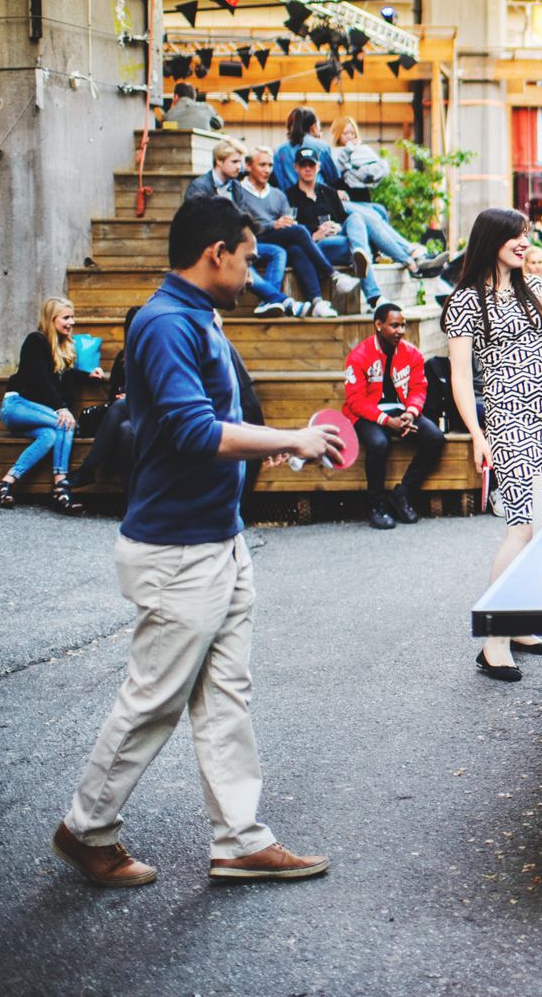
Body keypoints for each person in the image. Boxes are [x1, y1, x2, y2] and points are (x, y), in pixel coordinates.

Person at [52, 194, 341, 889]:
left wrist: (262, 448)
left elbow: (210, 427)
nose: (252, 273)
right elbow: (192, 431)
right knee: (153, 699)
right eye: (247, 258)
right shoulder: (163, 323)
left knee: (225, 696)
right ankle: (87, 829)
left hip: (216, 538)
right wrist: (291, 438)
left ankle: (239, 840)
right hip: (178, 550)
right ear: (216, 254)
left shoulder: (193, 315)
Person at [444, 208, 542, 681]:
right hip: (511, 420)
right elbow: (462, 380)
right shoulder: (466, 299)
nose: (525, 243)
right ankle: (494, 641)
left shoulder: (530, 289)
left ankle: (520, 622)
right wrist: (477, 433)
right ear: (493, 239)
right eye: (516, 236)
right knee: (522, 526)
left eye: (527, 235)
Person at [286, 145, 444, 312]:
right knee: (360, 245)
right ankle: (401, 270)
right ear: (296, 167)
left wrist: (337, 227)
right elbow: (292, 233)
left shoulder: (329, 192)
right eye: (304, 165)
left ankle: (362, 258)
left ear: (318, 166)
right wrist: (315, 235)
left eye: (311, 164)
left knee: (355, 218)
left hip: (340, 240)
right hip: (317, 248)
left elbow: (343, 220)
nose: (308, 169)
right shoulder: (289, 197)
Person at [0, 296, 107, 513]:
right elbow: (40, 379)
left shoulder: (62, 347)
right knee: (66, 422)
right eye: (66, 318)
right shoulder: (36, 341)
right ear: (51, 319)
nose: (71, 322)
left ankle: (4, 485)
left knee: (50, 436)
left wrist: (89, 374)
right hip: (16, 406)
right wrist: (61, 408)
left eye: (73, 318)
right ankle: (60, 487)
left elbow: (66, 377)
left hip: (38, 414)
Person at [344, 303, 446, 529]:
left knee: (435, 438)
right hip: (367, 414)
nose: (400, 330)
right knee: (379, 443)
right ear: (378, 325)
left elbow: (419, 388)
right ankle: (376, 506)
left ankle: (402, 494)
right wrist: (387, 421)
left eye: (403, 326)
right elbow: (355, 401)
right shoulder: (358, 356)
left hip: (401, 410)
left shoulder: (412, 353)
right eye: (394, 325)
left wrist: (410, 413)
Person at [183, 142, 300, 319]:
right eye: (235, 162)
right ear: (219, 162)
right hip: (210, 246)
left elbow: (244, 218)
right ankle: (283, 300)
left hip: (234, 241)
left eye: (241, 162)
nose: (240, 166)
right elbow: (199, 225)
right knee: (240, 258)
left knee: (277, 252)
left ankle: (268, 301)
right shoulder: (200, 187)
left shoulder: (235, 186)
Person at [233, 145, 341, 318]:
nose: (267, 170)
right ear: (248, 166)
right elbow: (239, 225)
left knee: (296, 248)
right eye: (262, 165)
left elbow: (288, 223)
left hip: (274, 242)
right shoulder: (238, 191)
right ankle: (332, 273)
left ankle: (316, 301)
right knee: (298, 232)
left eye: (270, 165)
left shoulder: (277, 194)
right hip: (251, 241)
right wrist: (272, 224)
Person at [71, 307, 143, 489]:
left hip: (151, 413)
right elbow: (112, 397)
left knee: (121, 407)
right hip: (129, 417)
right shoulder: (123, 358)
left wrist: (132, 397)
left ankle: (88, 468)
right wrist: (120, 396)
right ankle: (130, 504)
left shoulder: (157, 354)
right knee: (125, 429)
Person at [328, 116, 390, 203]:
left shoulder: (363, 150)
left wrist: (362, 173)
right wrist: (346, 152)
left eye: (352, 133)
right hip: (341, 197)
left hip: (361, 195)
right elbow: (333, 173)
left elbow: (382, 168)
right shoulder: (331, 153)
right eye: (345, 133)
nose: (349, 136)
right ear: (337, 134)